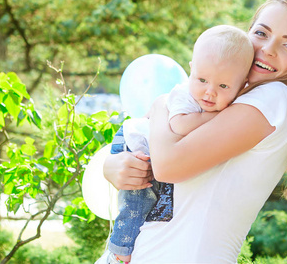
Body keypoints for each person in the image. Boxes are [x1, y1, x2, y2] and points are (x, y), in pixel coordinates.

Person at [102, 0, 287, 264]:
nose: (267, 49)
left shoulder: (276, 99)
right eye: (261, 33)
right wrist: (115, 166)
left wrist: (160, 105)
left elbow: (169, 166)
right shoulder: (226, 97)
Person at [99, 25, 254, 264]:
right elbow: (180, 125)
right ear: (191, 70)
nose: (209, 92)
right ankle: (120, 248)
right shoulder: (183, 95)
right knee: (137, 200)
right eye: (202, 80)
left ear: (243, 84)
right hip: (134, 142)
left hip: (155, 148)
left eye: (223, 86)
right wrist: (220, 117)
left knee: (151, 198)